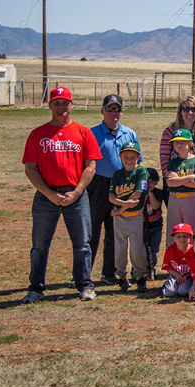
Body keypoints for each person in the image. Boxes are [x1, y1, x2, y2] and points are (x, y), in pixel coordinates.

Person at [22, 87, 102, 303]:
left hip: (76, 195)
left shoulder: (84, 133)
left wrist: (76, 192)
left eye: (65, 103)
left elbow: (90, 166)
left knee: (82, 244)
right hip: (46, 196)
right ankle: (36, 288)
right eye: (56, 103)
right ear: (49, 106)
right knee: (40, 244)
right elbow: (30, 168)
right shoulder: (37, 134)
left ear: (71, 105)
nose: (61, 107)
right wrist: (48, 193)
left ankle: (84, 285)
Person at [88, 94, 141, 285]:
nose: (113, 113)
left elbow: (138, 162)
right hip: (98, 186)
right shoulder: (92, 133)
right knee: (91, 232)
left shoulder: (129, 134)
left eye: (117, 109)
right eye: (109, 108)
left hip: (122, 187)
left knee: (114, 233)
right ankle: (83, 274)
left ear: (122, 111)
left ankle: (109, 272)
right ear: (102, 110)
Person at [108, 141, 149, 293]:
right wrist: (121, 206)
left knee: (137, 248)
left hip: (135, 216)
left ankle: (140, 277)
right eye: (126, 156)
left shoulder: (141, 171)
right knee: (120, 248)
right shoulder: (117, 174)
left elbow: (137, 196)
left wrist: (119, 208)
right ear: (120, 156)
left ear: (138, 157)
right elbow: (111, 197)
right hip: (120, 217)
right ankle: (121, 277)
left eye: (133, 156)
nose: (129, 159)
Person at [164, 128, 195, 241]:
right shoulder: (172, 162)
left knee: (192, 232)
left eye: (182, 142)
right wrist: (189, 178)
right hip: (174, 199)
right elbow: (169, 183)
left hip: (191, 199)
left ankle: (192, 257)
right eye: (176, 142)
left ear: (190, 143)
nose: (179, 145)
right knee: (173, 233)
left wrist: (178, 180)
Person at [159, 95, 195, 175]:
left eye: (194, 109)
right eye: (186, 109)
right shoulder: (169, 132)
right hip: (173, 179)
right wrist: (173, 176)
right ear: (180, 112)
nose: (190, 112)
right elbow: (164, 159)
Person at [161, 223, 195, 298]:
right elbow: (168, 267)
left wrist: (186, 276)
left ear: (190, 237)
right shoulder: (170, 250)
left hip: (189, 276)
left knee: (182, 292)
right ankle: (167, 285)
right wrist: (177, 275)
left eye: (185, 236)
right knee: (170, 293)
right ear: (173, 238)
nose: (182, 239)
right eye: (178, 236)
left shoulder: (194, 250)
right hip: (174, 274)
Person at [143, 168, 164, 279]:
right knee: (141, 249)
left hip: (156, 226)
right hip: (142, 227)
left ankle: (151, 269)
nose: (149, 184)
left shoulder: (158, 192)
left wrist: (150, 193)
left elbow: (156, 206)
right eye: (147, 181)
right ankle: (138, 271)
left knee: (153, 250)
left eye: (152, 182)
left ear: (156, 182)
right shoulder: (139, 193)